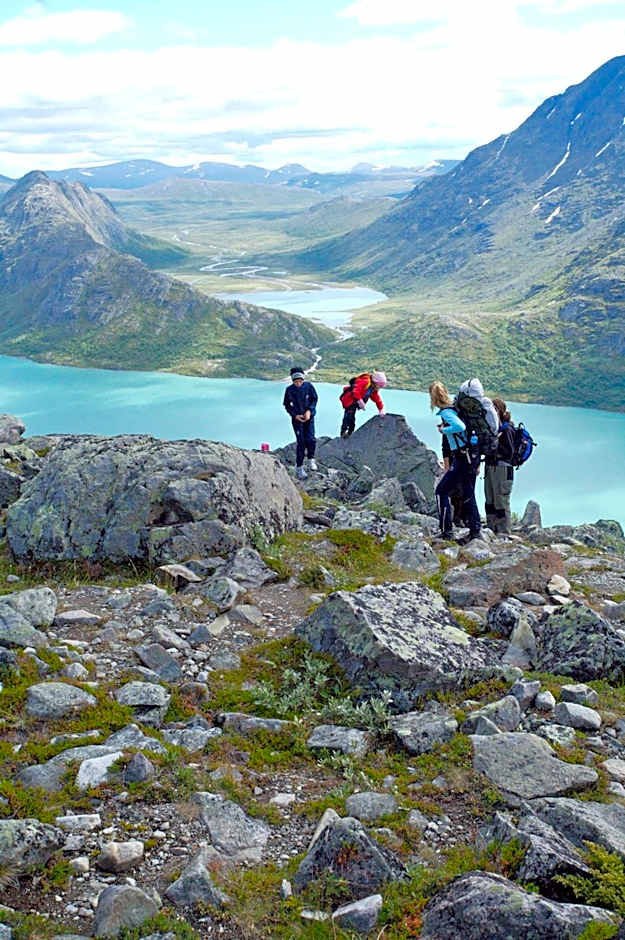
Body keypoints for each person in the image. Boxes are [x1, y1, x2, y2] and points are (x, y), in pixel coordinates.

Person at [429, 380, 481, 542]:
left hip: (462, 458)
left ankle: (447, 531)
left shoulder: (446, 413)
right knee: (468, 492)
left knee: (441, 491)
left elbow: (460, 427)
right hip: (471, 456)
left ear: (434, 398)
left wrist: (444, 430)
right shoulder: (456, 409)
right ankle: (475, 531)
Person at [484, 398, 515, 534]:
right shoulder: (494, 429)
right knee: (490, 499)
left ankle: (504, 532)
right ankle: (491, 528)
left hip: (502, 468)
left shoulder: (507, 429)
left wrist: (495, 442)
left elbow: (509, 451)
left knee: (501, 501)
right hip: (491, 466)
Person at [283, 367, 318, 480]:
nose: (298, 383)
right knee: (301, 443)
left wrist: (309, 411)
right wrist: (295, 415)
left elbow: (314, 399)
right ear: (292, 381)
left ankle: (311, 459)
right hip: (297, 420)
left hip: (309, 417)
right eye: (295, 381)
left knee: (311, 439)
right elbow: (287, 405)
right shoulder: (289, 390)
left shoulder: (309, 386)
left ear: (303, 379)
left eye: (300, 381)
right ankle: (299, 467)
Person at [339, 371, 387, 438]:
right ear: (376, 382)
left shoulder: (372, 388)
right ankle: (344, 433)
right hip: (349, 401)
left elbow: (377, 399)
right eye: (380, 385)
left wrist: (381, 409)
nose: (380, 388)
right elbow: (356, 391)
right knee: (348, 417)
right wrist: (360, 401)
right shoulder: (365, 381)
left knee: (351, 417)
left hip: (354, 402)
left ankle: (350, 432)